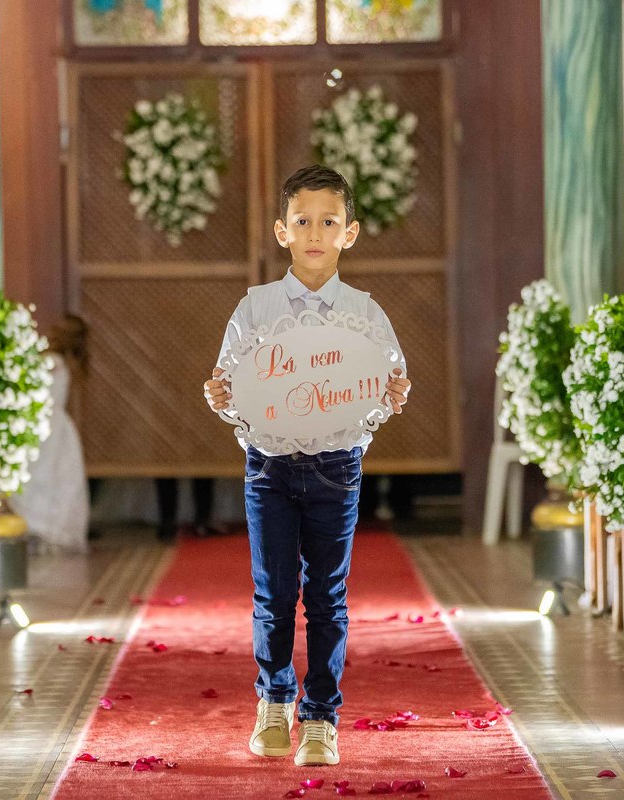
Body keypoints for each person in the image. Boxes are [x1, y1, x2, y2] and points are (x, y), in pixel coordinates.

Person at [203, 165, 411, 767]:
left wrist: (394, 394)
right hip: (268, 467)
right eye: (302, 221)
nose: (314, 233)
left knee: (327, 595)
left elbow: (389, 381)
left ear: (350, 233)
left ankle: (321, 718)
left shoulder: (365, 313)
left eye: (328, 221)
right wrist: (219, 396)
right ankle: (273, 703)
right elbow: (229, 384)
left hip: (336, 467)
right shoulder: (256, 308)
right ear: (282, 231)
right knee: (272, 593)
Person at [9, 315, 91, 552]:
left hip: (43, 427)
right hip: (57, 427)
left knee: (41, 475)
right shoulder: (63, 362)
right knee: (53, 477)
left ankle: (37, 527)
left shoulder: (50, 361)